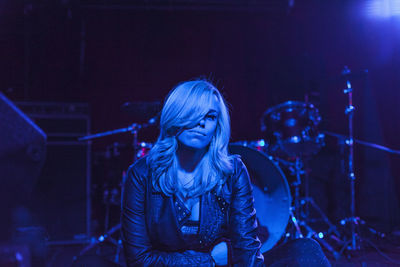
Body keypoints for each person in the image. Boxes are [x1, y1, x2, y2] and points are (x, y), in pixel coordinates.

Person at [121, 79, 264, 266]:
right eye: (193, 114)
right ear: (175, 117)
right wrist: (209, 260)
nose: (202, 123)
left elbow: (247, 249)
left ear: (217, 126)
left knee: (304, 249)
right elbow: (139, 260)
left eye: (211, 116)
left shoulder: (233, 171)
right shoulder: (141, 175)